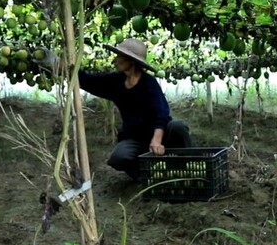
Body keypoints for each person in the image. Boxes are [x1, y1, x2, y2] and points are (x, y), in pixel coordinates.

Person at [78, 37, 193, 180]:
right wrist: (59, 64)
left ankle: (188, 166)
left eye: (120, 57)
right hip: (134, 137)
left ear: (131, 61)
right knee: (118, 158)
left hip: (158, 135)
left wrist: (156, 140)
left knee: (178, 127)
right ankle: (146, 177)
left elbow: (162, 113)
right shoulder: (116, 82)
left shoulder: (148, 83)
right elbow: (88, 81)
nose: (116, 60)